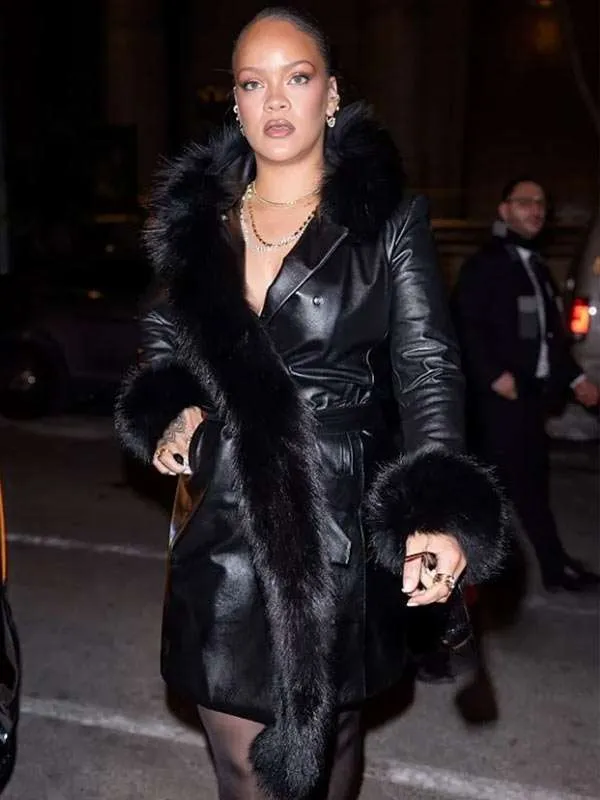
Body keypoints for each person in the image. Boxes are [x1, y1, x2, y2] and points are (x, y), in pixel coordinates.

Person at [115, 8, 509, 799]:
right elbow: (164, 331)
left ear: (330, 95)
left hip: (340, 511)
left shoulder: (387, 220)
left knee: (333, 741)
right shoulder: (198, 224)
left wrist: (437, 510)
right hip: (223, 511)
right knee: (239, 760)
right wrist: (172, 406)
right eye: (252, 83)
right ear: (235, 103)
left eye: (296, 77)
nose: (274, 100)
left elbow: (428, 366)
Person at [452, 178, 599, 595]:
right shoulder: (486, 265)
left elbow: (551, 338)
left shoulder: (536, 268)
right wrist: (494, 376)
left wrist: (576, 379)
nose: (536, 210)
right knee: (485, 492)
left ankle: (554, 567)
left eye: (541, 203)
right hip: (497, 405)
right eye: (525, 202)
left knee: (531, 488)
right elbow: (464, 325)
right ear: (504, 210)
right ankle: (460, 577)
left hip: (528, 400)